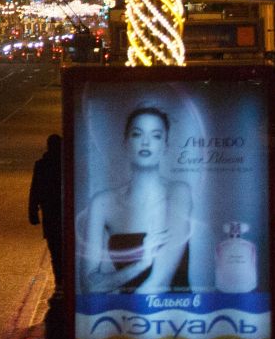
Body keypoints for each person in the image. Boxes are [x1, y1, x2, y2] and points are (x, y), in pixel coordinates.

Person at [78, 106, 192, 295]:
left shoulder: (178, 192)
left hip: (177, 313)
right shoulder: (102, 203)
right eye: (137, 134)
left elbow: (159, 282)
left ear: (166, 146)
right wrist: (141, 264)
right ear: (126, 142)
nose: (146, 142)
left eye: (156, 136)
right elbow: (89, 285)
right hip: (126, 315)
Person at [29, 134, 66, 286]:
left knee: (55, 250)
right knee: (63, 250)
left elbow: (35, 189)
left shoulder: (42, 164)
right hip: (62, 213)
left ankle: (59, 281)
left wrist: (32, 211)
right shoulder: (66, 164)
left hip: (50, 212)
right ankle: (62, 281)